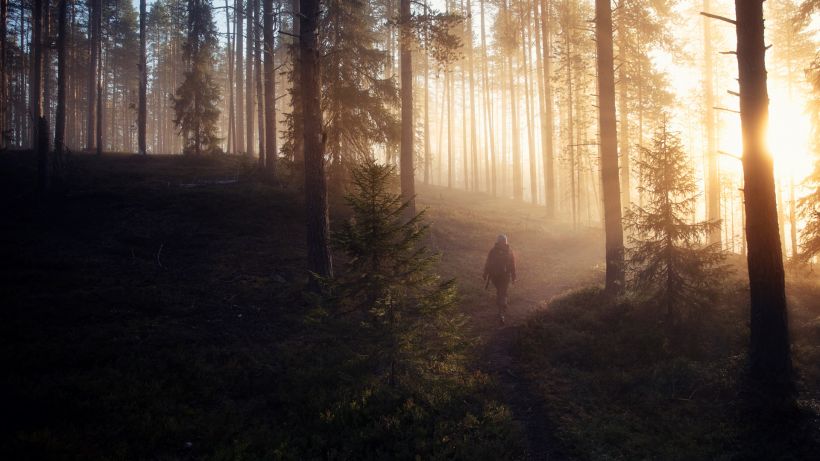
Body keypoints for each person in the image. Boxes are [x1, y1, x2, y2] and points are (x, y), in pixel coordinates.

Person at [483, 234, 516, 324]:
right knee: (502, 292)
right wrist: (513, 276)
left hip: (497, 277)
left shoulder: (493, 251)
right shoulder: (509, 251)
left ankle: (501, 310)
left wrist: (485, 274)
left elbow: (488, 263)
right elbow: (512, 265)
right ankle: (502, 307)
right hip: (502, 277)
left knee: (500, 292)